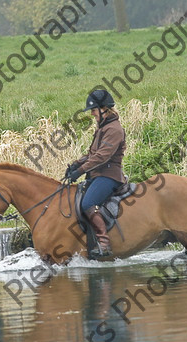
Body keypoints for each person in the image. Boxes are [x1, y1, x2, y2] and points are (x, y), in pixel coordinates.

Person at [65, 89, 127, 259]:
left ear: (104, 109)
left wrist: (80, 171)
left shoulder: (114, 129)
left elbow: (102, 156)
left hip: (109, 176)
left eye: (93, 110)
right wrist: (76, 164)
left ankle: (104, 243)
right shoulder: (103, 128)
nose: (92, 114)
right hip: (98, 175)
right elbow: (93, 154)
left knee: (88, 203)